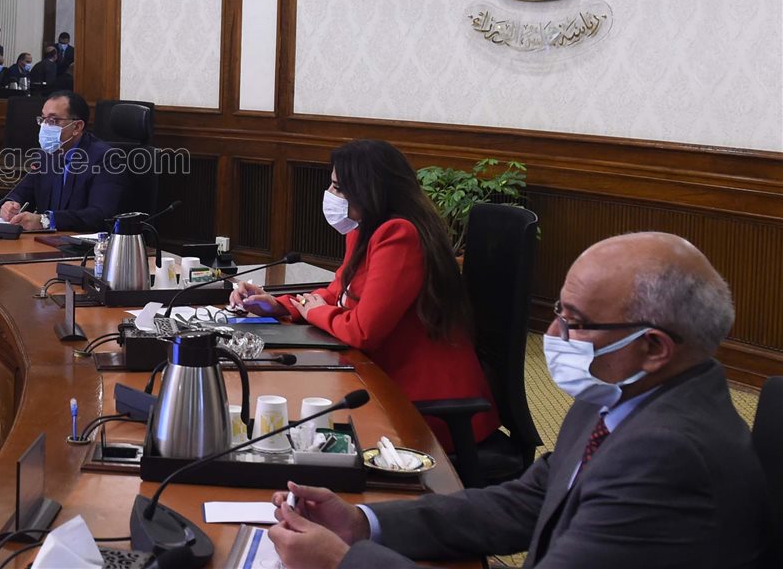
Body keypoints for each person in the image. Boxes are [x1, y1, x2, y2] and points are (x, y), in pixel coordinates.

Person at [265, 232, 767, 569]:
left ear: (654, 348)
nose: (554, 335)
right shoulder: (619, 394)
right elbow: (528, 502)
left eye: (576, 322)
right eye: (558, 313)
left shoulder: (669, 454)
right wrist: (361, 524)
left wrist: (344, 562)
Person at [231, 139, 499, 448]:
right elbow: (338, 292)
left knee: (302, 428)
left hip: (424, 406)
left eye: (338, 188)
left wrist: (314, 312)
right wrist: (278, 305)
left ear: (368, 189)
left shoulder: (399, 235)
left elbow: (363, 331)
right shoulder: (363, 230)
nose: (330, 195)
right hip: (382, 378)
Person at [0, 90, 125, 232]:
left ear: (77, 127)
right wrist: (10, 204)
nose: (45, 126)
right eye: (43, 119)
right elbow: (23, 191)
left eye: (53, 120)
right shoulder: (46, 154)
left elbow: (100, 215)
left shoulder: (105, 158)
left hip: (81, 241)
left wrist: (46, 221)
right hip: (44, 240)